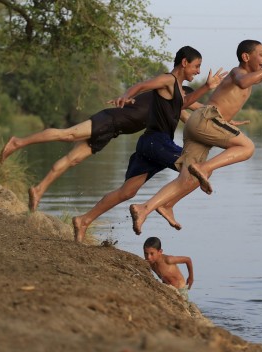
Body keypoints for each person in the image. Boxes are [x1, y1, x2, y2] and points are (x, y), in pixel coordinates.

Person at [129, 40, 262, 235]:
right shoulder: (238, 72)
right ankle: (203, 168)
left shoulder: (250, 76)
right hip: (207, 119)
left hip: (200, 123)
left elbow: (256, 79)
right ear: (246, 57)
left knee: (189, 177)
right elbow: (246, 81)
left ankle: (149, 207)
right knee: (247, 148)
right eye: (261, 54)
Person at [72, 46, 227, 242]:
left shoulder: (177, 86)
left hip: (152, 144)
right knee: (199, 169)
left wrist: (207, 89)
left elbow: (183, 104)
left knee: (126, 192)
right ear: (184, 62)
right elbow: (142, 85)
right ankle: (165, 205)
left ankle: (83, 220)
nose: (198, 71)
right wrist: (127, 95)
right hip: (156, 141)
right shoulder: (168, 79)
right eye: (196, 66)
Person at [0, 80, 219, 212]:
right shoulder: (163, 93)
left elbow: (194, 117)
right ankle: (18, 142)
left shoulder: (171, 108)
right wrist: (126, 96)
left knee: (73, 160)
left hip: (114, 131)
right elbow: (143, 87)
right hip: (109, 119)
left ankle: (38, 190)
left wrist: (222, 125)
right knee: (68, 134)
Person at [143, 236, 193, 303]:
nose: (148, 257)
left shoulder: (168, 260)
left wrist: (190, 277)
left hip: (180, 290)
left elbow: (188, 260)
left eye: (152, 253)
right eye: (146, 253)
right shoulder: (150, 263)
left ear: (160, 252)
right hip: (167, 288)